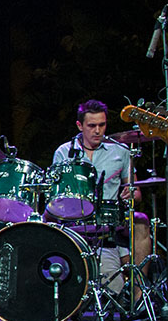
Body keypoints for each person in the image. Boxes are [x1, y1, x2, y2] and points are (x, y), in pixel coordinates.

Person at [52, 99, 151, 300]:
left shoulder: (121, 152)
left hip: (110, 217)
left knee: (141, 220)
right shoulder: (63, 152)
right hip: (75, 218)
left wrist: (131, 194)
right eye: (92, 126)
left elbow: (136, 192)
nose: (98, 131)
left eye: (102, 125)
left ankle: (138, 296)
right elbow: (56, 195)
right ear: (80, 126)